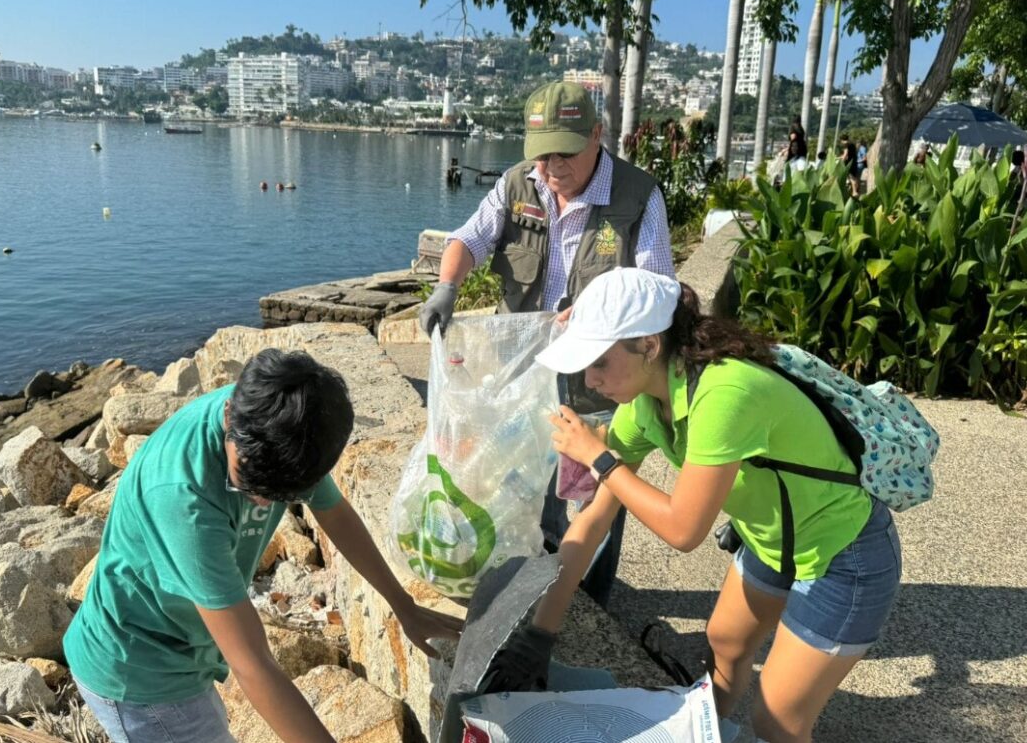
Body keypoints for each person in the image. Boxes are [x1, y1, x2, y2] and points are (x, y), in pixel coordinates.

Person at [490, 268, 902, 743]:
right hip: (772, 540)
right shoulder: (645, 404)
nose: (590, 379)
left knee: (777, 724)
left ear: (648, 345)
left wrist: (600, 459)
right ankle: (708, 735)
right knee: (724, 646)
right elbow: (594, 518)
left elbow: (684, 531)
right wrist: (540, 635)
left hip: (845, 556)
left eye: (600, 361)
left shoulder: (724, 394)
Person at [63, 348, 464, 743]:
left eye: (280, 493)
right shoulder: (184, 499)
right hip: (139, 667)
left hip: (187, 648)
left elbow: (334, 513)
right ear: (228, 417)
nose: (263, 501)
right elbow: (253, 664)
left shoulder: (286, 427)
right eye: (248, 483)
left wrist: (402, 604)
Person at [417, 80, 675, 606]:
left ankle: (590, 604)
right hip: (523, 379)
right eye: (542, 154)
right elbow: (469, 238)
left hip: (602, 386)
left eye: (566, 152)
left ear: (597, 135)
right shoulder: (518, 186)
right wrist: (448, 287)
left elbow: (658, 292)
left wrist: (599, 311)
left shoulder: (638, 197)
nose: (552, 167)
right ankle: (535, 592)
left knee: (598, 499)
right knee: (526, 492)